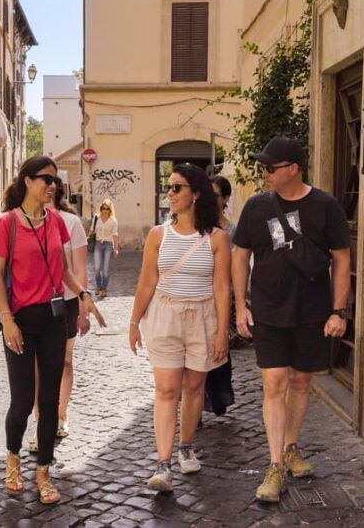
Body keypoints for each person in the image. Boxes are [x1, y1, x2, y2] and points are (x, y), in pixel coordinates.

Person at [232, 137, 351, 502]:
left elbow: (342, 259)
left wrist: (338, 310)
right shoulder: (256, 207)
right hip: (268, 309)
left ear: (293, 168)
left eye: (270, 167)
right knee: (274, 383)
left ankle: (291, 447)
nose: (264, 173)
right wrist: (241, 306)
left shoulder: (325, 206)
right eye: (263, 167)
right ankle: (274, 466)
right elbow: (239, 257)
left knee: (300, 383)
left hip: (311, 310)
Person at [0, 155, 105, 505]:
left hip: (55, 319)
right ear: (27, 181)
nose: (52, 186)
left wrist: (82, 293)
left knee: (50, 401)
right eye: (46, 179)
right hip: (21, 320)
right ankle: (13, 462)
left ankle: (43, 470)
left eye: (55, 180)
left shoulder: (57, 221)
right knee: (23, 400)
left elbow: (63, 271)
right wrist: (7, 319)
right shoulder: (7, 224)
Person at [128, 163, 231, 492]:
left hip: (203, 317)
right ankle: (163, 463)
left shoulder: (217, 238)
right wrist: (133, 322)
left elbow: (222, 288)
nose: (169, 194)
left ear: (196, 193)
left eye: (177, 188)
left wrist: (221, 333)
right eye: (168, 187)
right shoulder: (159, 235)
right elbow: (146, 282)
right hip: (165, 314)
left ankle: (186, 445)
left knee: (194, 389)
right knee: (166, 390)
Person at [25, 179, 90, 450]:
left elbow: (79, 268)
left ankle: (61, 415)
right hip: (36, 302)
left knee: (64, 361)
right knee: (39, 365)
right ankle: (42, 420)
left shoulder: (71, 223)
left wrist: (84, 308)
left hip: (66, 301)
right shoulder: (25, 219)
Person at [203, 176, 237, 418]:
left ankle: (216, 397)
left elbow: (235, 268)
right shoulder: (194, 226)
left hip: (221, 298)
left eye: (215, 195)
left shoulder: (232, 231)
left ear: (225, 199)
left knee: (217, 348)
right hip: (197, 296)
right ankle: (194, 403)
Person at [90, 199, 118, 297]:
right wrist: (89, 235)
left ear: (110, 210)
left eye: (107, 208)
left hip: (108, 245)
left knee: (105, 269)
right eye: (103, 208)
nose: (104, 210)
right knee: (97, 268)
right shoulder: (96, 218)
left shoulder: (113, 220)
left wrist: (116, 249)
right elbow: (92, 230)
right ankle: (98, 286)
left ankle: (104, 289)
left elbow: (115, 235)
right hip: (98, 244)